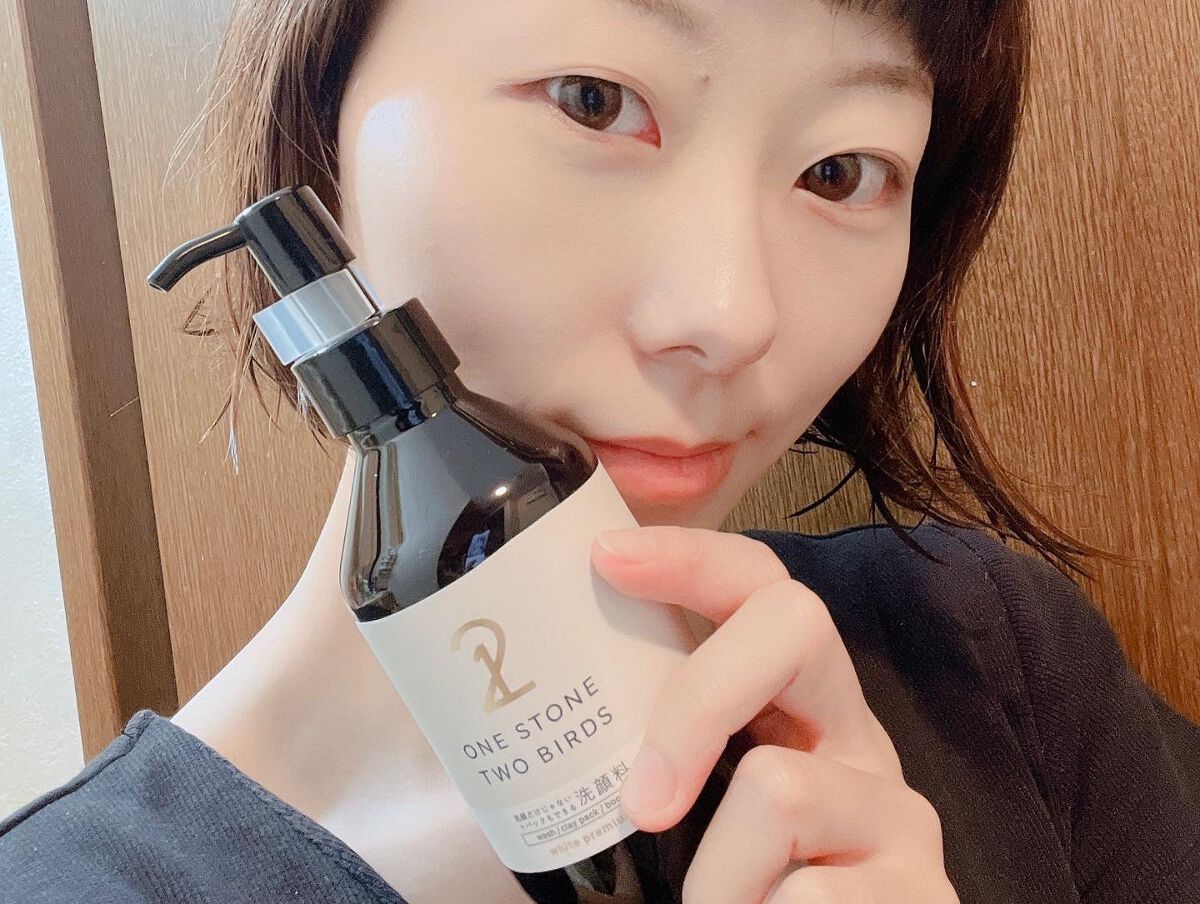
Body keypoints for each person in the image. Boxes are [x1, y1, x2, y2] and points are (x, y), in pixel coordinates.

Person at [2, 0, 1198, 901]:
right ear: (328, 115)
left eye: (840, 172)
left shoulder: (992, 666)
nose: (730, 315)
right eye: (593, 99)